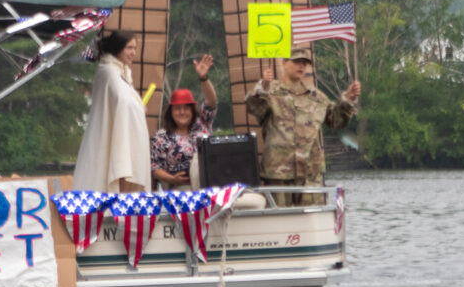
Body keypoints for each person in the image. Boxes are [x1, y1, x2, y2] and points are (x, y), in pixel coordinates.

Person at [245, 46, 361, 205]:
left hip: (310, 174)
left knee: (311, 221)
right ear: (284, 63)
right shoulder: (270, 92)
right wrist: (263, 86)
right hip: (279, 174)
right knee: (280, 221)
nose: (301, 66)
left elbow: (336, 121)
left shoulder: (316, 96)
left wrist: (348, 99)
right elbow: (253, 107)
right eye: (297, 61)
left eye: (304, 63)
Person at [72, 30, 151, 194]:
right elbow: (121, 100)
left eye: (135, 48)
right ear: (118, 48)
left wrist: (137, 106)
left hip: (124, 132)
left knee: (128, 166)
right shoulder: (107, 71)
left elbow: (126, 102)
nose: (133, 53)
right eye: (129, 48)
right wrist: (137, 105)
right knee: (119, 165)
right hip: (112, 132)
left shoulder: (124, 73)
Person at [151, 54, 218, 190]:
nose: (182, 112)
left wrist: (203, 78)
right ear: (171, 112)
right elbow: (154, 168)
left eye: (186, 108)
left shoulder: (202, 123)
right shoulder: (162, 136)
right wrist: (172, 179)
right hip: (181, 187)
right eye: (177, 109)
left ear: (193, 110)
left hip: (210, 183)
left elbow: (211, 101)